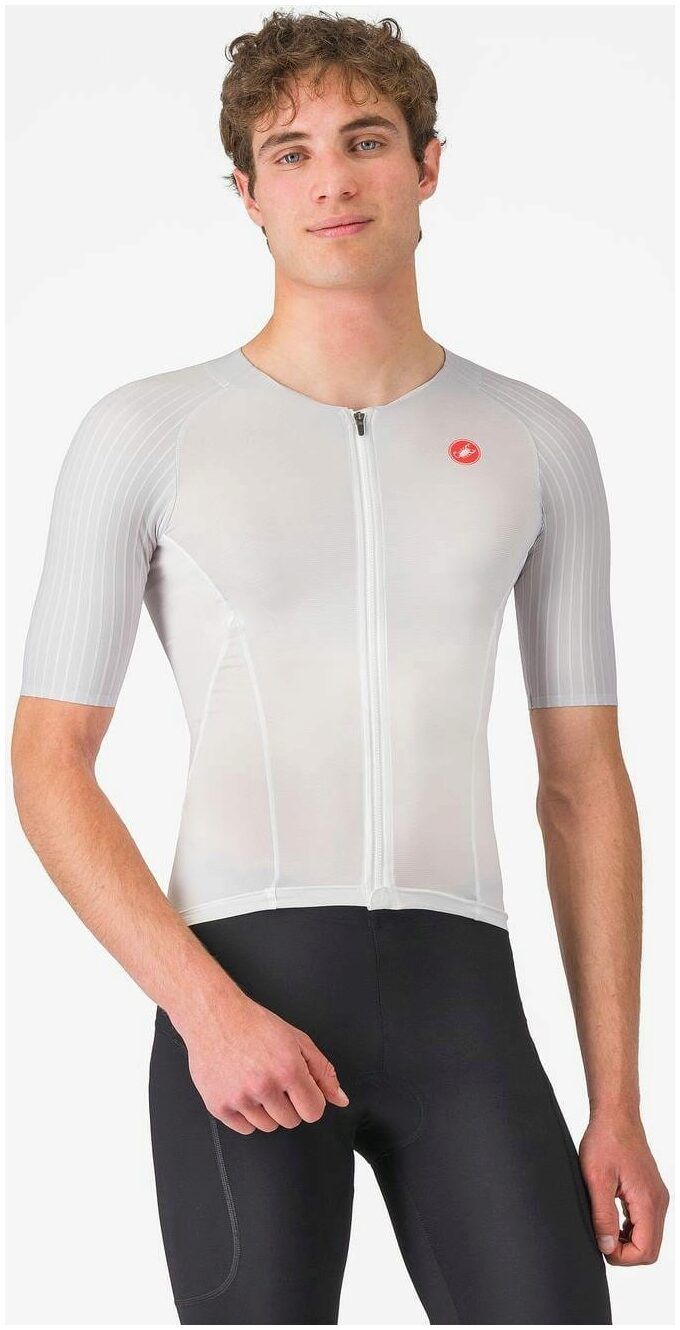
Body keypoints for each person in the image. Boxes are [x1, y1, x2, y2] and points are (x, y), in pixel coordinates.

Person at [12, 10, 669, 1325]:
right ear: (247, 193)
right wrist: (205, 1013)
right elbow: (48, 762)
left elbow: (584, 783)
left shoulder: (536, 439)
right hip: (244, 999)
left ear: (427, 165)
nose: (332, 180)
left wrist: (616, 1102)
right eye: (291, 151)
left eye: (365, 141)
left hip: (467, 1014)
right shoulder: (146, 432)